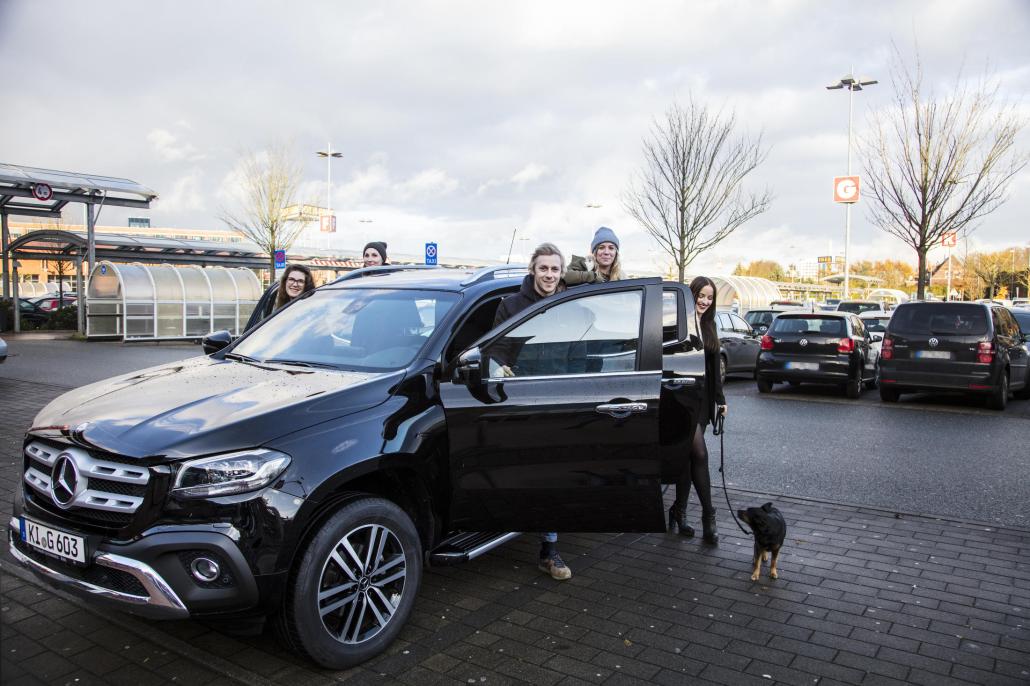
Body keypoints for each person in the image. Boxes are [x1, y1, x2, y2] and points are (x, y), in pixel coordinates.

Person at [491, 242, 572, 580]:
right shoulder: (510, 306)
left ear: (561, 272)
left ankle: (549, 551)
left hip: (557, 401)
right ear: (533, 270)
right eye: (543, 268)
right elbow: (495, 348)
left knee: (552, 475)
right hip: (519, 400)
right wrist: (497, 367)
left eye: (555, 269)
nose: (549, 275)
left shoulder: (571, 305)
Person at [669, 275, 725, 544]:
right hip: (681, 400)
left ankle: (678, 512)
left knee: (687, 458)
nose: (704, 301)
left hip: (702, 403)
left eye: (709, 297)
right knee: (699, 453)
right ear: (690, 295)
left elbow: (714, 371)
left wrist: (721, 400)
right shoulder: (678, 324)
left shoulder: (710, 326)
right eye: (700, 295)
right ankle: (708, 516)